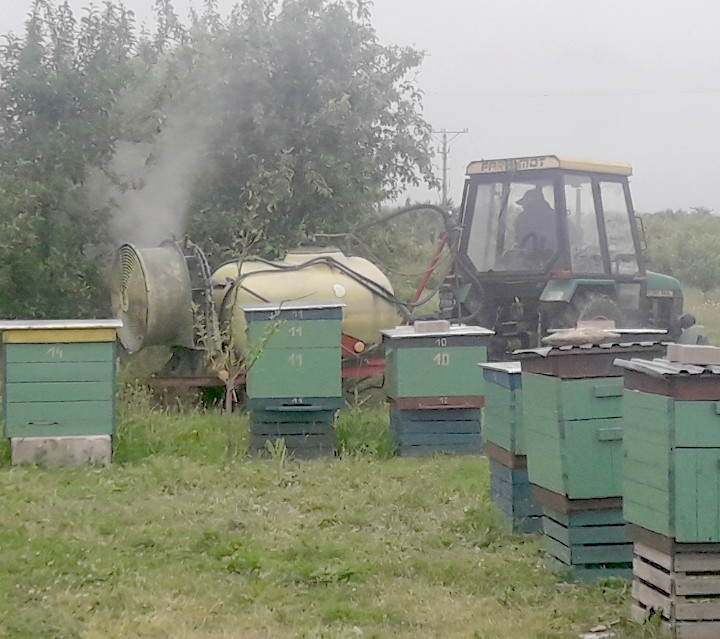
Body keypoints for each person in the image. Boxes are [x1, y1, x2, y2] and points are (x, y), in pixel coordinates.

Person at [514, 187, 558, 251]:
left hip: (532, 257)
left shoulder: (523, 218)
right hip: (553, 257)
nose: (523, 207)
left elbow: (519, 240)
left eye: (525, 204)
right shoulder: (558, 217)